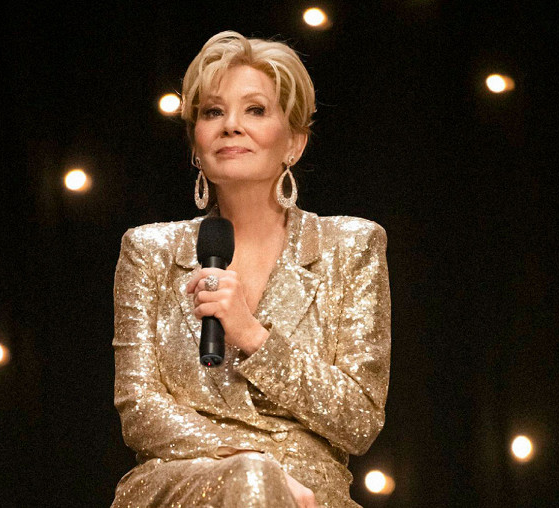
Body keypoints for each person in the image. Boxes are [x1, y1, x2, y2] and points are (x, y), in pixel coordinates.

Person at [111, 31, 391, 508]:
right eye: (212, 112)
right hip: (181, 484)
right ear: (196, 145)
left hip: (311, 494)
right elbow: (140, 410)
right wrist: (249, 461)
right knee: (252, 480)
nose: (231, 126)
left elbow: (359, 420)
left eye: (255, 110)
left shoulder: (351, 245)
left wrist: (253, 336)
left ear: (294, 144)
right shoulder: (148, 250)